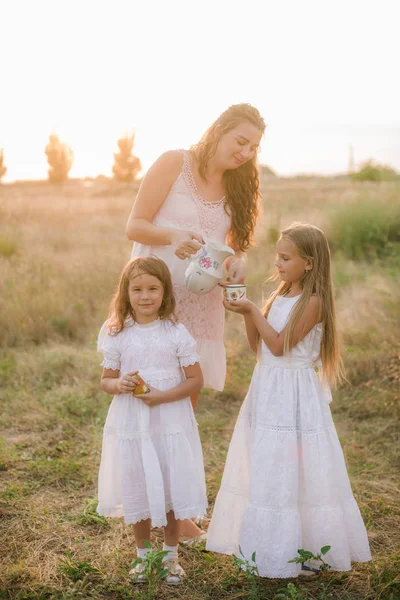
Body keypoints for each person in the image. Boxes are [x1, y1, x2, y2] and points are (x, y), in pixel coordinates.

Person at [126, 103, 266, 542]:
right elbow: (134, 224)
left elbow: (232, 247)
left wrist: (236, 266)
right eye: (240, 140)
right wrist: (171, 236)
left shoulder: (240, 183)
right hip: (157, 300)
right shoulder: (174, 161)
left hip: (202, 308)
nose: (246, 152)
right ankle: (153, 512)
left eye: (254, 146)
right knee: (148, 409)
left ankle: (178, 514)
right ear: (219, 130)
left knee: (184, 412)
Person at [206, 222, 371, 578]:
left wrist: (251, 311)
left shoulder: (314, 302)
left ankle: (307, 548)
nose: (277, 264)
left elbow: (281, 347)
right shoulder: (280, 296)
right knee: (270, 462)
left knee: (300, 465)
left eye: (285, 257)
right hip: (267, 387)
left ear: (309, 263)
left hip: (295, 393)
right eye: (277, 256)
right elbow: (261, 349)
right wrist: (246, 313)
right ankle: (271, 546)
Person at [97, 256, 207, 585]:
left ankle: (171, 556)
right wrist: (120, 385)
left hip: (169, 419)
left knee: (170, 486)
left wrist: (161, 396)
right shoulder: (117, 333)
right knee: (138, 484)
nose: (145, 296)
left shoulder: (175, 331)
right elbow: (106, 381)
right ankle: (144, 557)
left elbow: (195, 380)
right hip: (133, 423)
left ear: (165, 292)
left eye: (153, 289)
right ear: (125, 293)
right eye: (137, 289)